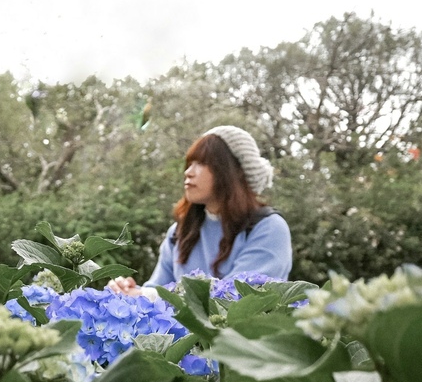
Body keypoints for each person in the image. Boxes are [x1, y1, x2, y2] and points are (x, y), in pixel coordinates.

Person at [109, 125, 292, 298]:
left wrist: (148, 296)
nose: (188, 172)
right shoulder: (180, 232)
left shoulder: (268, 229)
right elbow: (157, 290)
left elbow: (235, 299)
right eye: (189, 163)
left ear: (234, 172)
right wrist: (128, 292)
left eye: (203, 163)